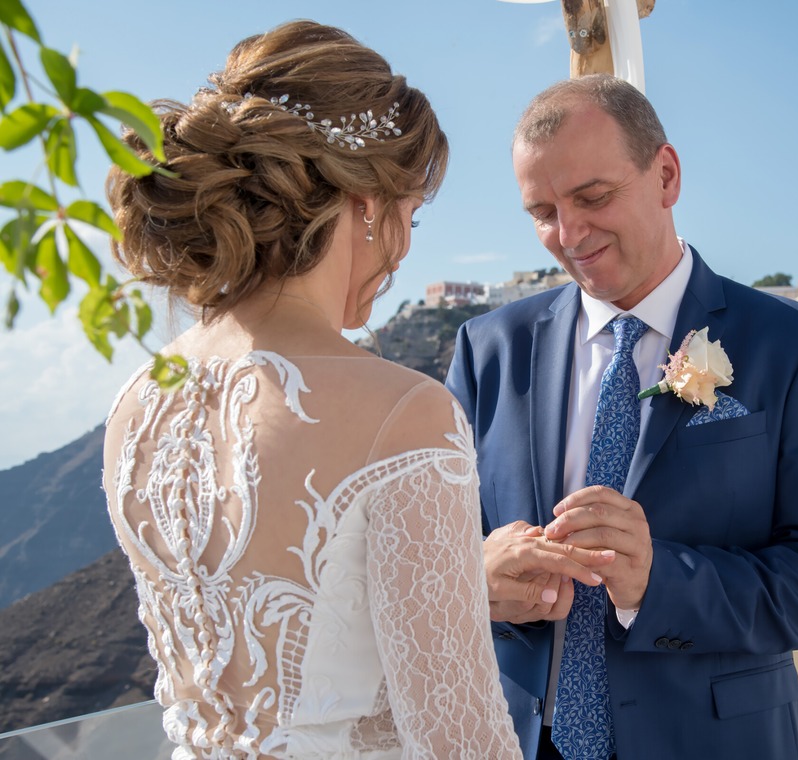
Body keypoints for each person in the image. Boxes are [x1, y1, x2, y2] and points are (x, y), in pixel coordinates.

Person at [101, 21, 578, 759]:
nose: (406, 247)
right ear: (365, 202)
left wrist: (461, 584)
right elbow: (461, 742)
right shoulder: (405, 413)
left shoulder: (137, 399)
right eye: (409, 213)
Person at [445, 74, 798, 759]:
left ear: (666, 175)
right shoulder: (487, 348)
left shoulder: (793, 345)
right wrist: (473, 578)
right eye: (543, 211)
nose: (569, 234)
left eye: (593, 197)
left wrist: (659, 583)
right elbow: (435, 553)